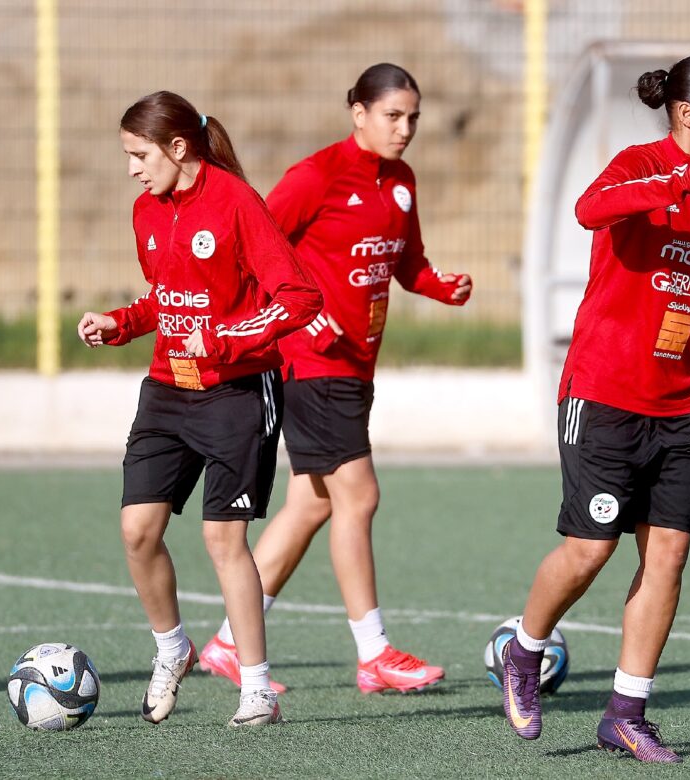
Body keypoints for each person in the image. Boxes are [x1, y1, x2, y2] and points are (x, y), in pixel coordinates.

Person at [498, 55, 690, 762]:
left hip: (682, 403)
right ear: (686, 115)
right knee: (589, 552)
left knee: (667, 557)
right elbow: (589, 210)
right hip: (605, 393)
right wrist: (680, 178)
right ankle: (525, 651)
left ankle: (626, 712)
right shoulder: (639, 165)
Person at [199, 63, 472, 694]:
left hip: (355, 367)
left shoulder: (401, 181)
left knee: (310, 503)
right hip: (310, 363)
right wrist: (300, 323)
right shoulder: (316, 176)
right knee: (359, 495)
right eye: (392, 116)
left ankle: (226, 646)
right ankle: (374, 653)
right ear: (358, 112)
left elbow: (408, 263)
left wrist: (440, 287)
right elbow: (254, 253)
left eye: (413, 118)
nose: (405, 129)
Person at [77, 91, 322, 727]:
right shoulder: (145, 211)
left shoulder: (237, 202)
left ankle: (257, 687)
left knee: (223, 539)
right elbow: (166, 296)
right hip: (166, 388)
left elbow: (298, 298)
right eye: (126, 155)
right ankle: (172, 648)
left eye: (139, 153)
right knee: (137, 530)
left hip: (237, 394)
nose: (131, 167)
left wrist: (222, 338)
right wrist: (121, 324)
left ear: (178, 147)